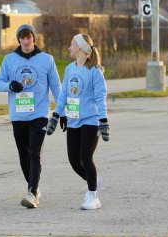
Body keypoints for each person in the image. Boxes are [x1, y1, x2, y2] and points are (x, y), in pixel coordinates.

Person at [0, 24, 63, 208]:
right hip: (18, 116)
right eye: (22, 37)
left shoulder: (46, 60)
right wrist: (10, 85)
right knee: (23, 155)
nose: (26, 41)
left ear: (34, 38)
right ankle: (33, 187)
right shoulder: (9, 60)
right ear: (19, 40)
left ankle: (32, 192)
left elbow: (56, 86)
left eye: (29, 37)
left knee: (34, 152)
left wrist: (61, 111)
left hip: (39, 114)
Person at [46, 33, 110, 210]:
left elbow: (100, 97)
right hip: (73, 121)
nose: (69, 48)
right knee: (74, 161)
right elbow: (64, 95)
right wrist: (56, 115)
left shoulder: (94, 71)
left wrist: (103, 120)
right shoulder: (69, 69)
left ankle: (93, 198)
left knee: (85, 156)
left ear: (81, 48)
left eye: (71, 44)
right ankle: (93, 180)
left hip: (90, 121)